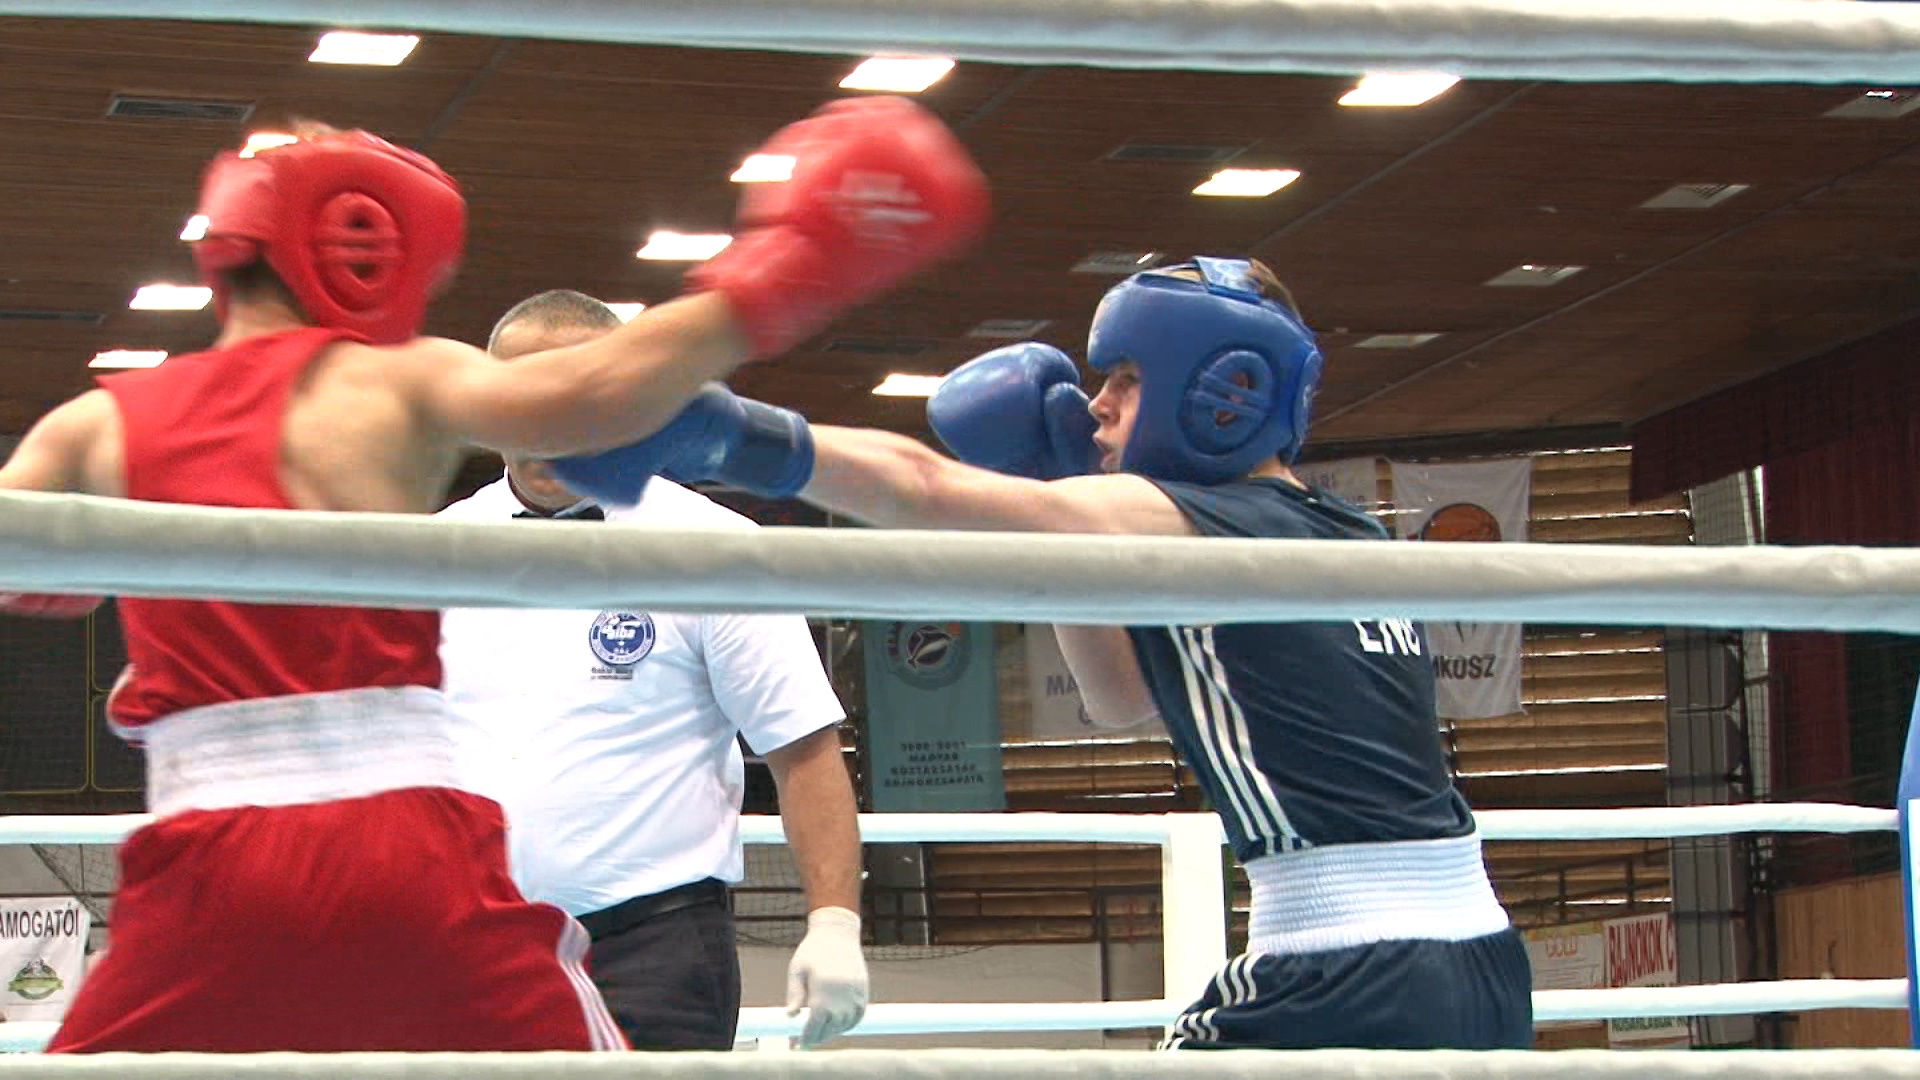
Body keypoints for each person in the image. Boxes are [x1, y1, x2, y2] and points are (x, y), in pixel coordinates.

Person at [0, 97, 986, 1053]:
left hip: (200, 850)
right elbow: (590, 397)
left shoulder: (93, 425)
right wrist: (791, 267)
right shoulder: (391, 383)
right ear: (359, 247)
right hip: (401, 846)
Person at [541, 256, 1534, 1050]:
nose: (1097, 403)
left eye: (1127, 378)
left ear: (1222, 387)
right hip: (1477, 957)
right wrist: (1065, 526)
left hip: (1344, 962)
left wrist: (718, 434)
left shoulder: (1199, 520)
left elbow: (924, 488)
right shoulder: (1343, 531)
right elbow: (1117, 697)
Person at [438, 289, 866, 1051]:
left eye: (569, 393)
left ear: (621, 394)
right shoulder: (431, 551)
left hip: (653, 950)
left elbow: (803, 747)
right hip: (469, 941)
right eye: (524, 397)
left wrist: (834, 922)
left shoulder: (712, 549)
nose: (544, 420)